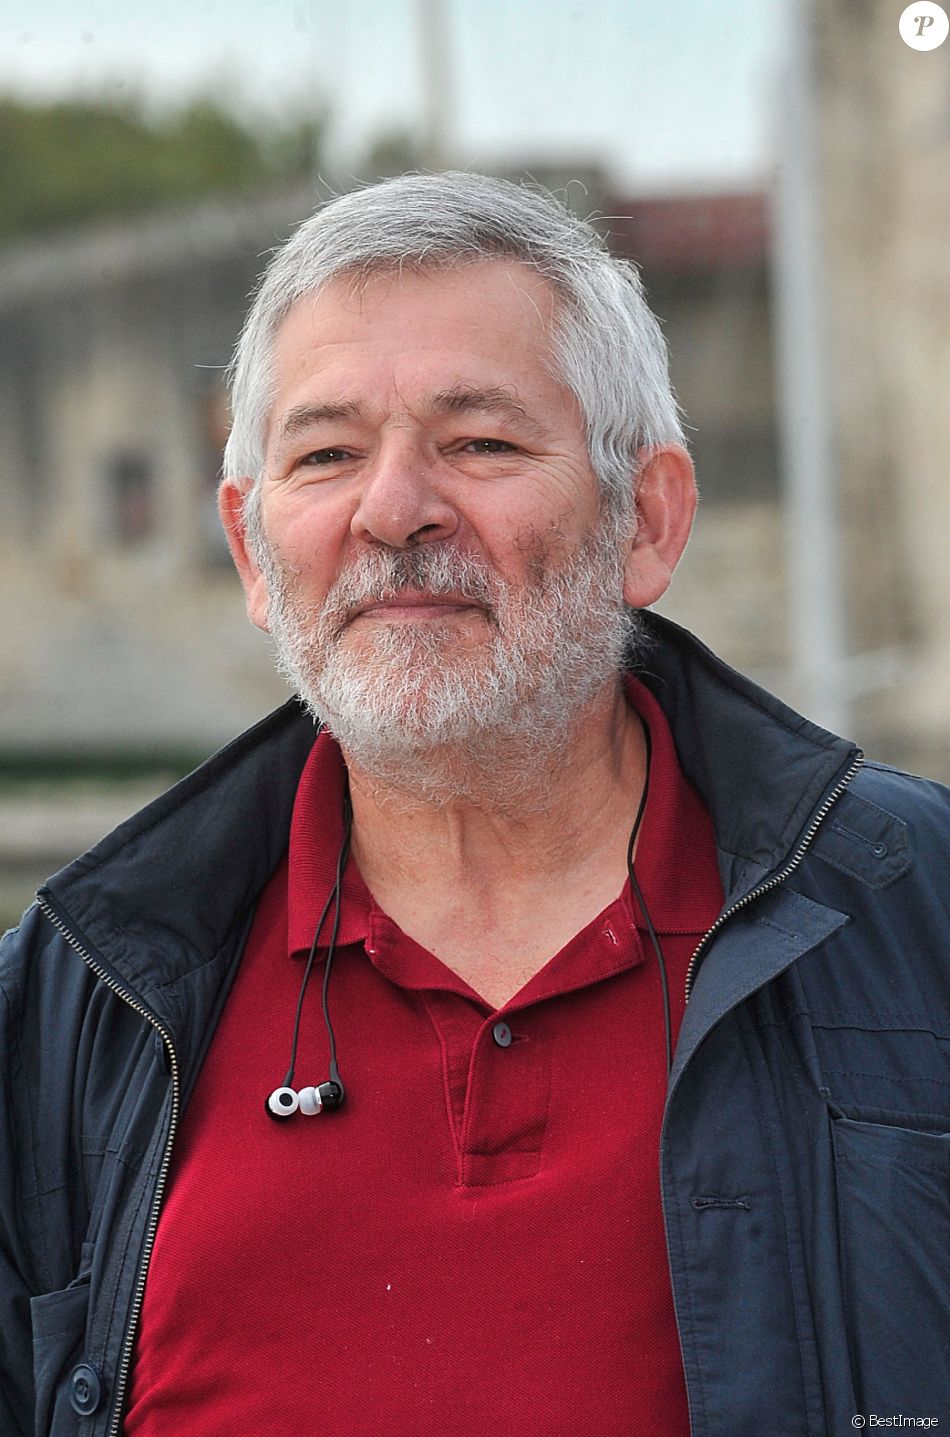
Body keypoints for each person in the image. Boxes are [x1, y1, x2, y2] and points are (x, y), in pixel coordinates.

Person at [1, 172, 948, 1437]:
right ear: (251, 551)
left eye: (481, 443)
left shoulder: (915, 920)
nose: (393, 510)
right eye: (327, 454)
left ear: (646, 522)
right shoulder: (64, 1014)